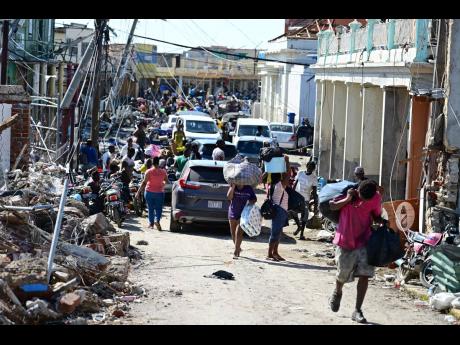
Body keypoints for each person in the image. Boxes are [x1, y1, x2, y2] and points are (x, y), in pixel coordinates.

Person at [328, 180, 385, 324]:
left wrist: (381, 221)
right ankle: (338, 291)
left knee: (365, 275)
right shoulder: (348, 193)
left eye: (368, 199)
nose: (364, 201)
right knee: (342, 275)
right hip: (345, 240)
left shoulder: (376, 197)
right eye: (362, 198)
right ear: (358, 191)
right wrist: (347, 199)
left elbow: (376, 214)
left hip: (365, 240)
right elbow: (332, 206)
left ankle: (357, 310)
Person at [136, 156, 169, 230]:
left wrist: (138, 192)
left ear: (152, 162)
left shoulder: (149, 171)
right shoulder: (163, 171)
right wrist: (163, 183)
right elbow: (167, 181)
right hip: (159, 193)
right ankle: (157, 221)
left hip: (149, 192)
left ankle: (151, 224)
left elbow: (144, 183)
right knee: (159, 208)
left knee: (150, 208)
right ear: (158, 162)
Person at [227, 184, 257, 258]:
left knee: (238, 232)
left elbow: (254, 199)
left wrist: (251, 203)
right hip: (233, 212)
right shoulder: (233, 186)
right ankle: (238, 247)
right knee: (233, 233)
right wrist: (233, 187)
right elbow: (229, 197)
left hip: (243, 214)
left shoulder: (248, 188)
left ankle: (236, 251)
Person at [267, 173, 290, 261]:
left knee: (278, 232)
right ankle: (269, 254)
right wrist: (287, 162)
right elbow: (287, 176)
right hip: (279, 210)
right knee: (275, 233)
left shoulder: (272, 186)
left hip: (280, 210)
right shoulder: (279, 186)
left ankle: (275, 252)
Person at [293, 160, 318, 237]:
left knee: (304, 216)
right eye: (309, 167)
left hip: (305, 199)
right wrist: (292, 194)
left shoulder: (314, 178)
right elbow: (295, 184)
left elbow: (314, 192)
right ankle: (299, 226)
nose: (309, 169)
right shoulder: (300, 173)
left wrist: (315, 204)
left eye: (311, 168)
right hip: (297, 197)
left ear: (313, 169)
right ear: (306, 166)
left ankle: (301, 234)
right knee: (293, 212)